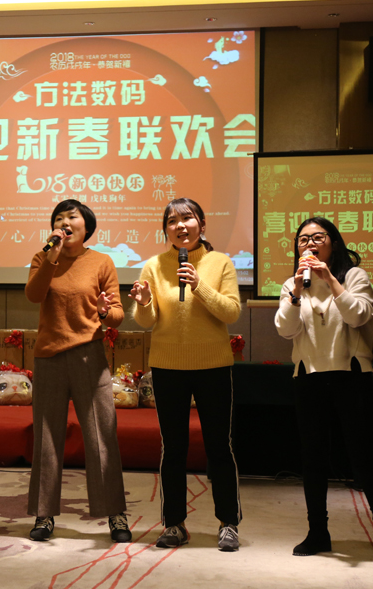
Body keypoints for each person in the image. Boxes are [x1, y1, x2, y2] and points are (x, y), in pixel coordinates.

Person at [274, 217, 373, 562]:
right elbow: (285, 329)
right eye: (303, 240)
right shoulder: (293, 284)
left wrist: (330, 279)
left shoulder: (353, 276)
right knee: (313, 459)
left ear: (333, 243)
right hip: (309, 378)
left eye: (318, 237)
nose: (310, 245)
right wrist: (296, 292)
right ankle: (318, 532)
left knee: (364, 458)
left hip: (351, 376)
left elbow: (358, 316)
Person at [128, 197, 242, 552]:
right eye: (172, 221)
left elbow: (231, 312)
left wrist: (198, 285)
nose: (180, 226)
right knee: (173, 448)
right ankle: (174, 523)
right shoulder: (154, 265)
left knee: (218, 446)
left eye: (187, 218)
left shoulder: (220, 263)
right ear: (166, 230)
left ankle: (228, 523)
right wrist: (144, 303)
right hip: (168, 366)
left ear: (202, 225)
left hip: (213, 366)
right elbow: (146, 321)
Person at [25, 199, 131, 543]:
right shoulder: (43, 257)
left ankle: (115, 513)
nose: (64, 222)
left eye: (72, 217)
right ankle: (44, 514)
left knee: (102, 437)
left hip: (89, 356)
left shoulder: (101, 261)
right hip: (49, 357)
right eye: (59, 218)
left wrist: (104, 311)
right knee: (46, 438)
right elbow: (33, 295)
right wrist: (51, 258)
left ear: (87, 226)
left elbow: (117, 315)